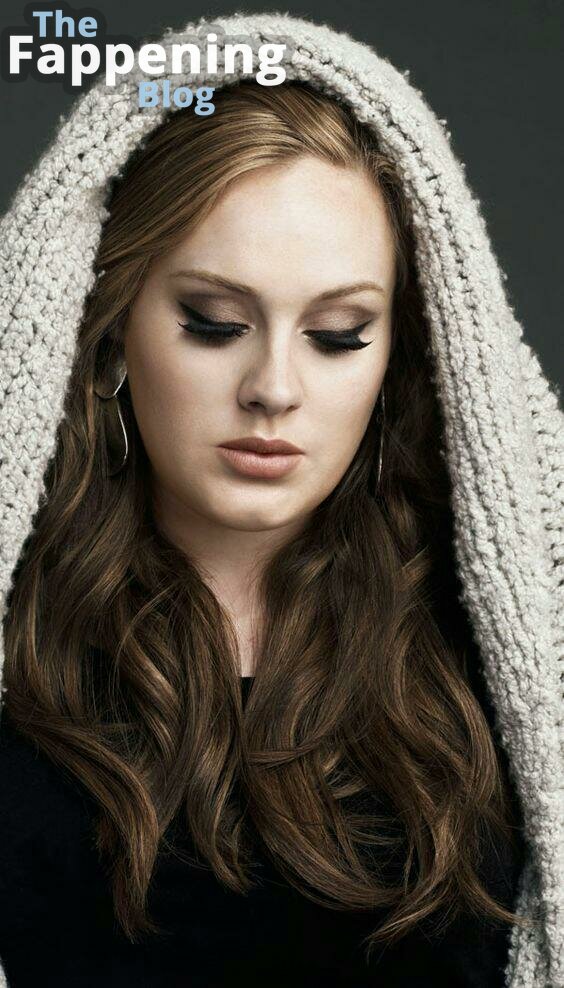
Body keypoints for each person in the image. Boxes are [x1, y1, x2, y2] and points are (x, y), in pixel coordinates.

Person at [0, 13, 561, 988]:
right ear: (111, 328)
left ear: (399, 354)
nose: (274, 388)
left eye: (338, 334)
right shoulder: (17, 653)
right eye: (215, 322)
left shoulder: (510, 666)